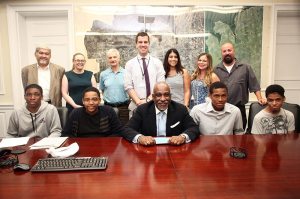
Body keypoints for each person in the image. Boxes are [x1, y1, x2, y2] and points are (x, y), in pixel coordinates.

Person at [122, 82, 200, 146]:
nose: (163, 99)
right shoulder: (142, 110)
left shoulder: (180, 109)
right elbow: (127, 129)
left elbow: (194, 128)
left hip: (174, 149)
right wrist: (140, 138)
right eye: (158, 95)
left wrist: (183, 137)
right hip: (149, 150)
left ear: (170, 96)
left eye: (166, 95)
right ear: (153, 97)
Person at [214, 42, 266, 129]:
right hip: (220, 109)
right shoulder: (215, 70)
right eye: (224, 51)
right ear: (221, 53)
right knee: (223, 135)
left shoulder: (245, 68)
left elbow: (254, 85)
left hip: (239, 108)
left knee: (239, 134)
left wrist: (260, 98)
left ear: (234, 51)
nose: (227, 52)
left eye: (229, 50)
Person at [124, 32, 165, 117]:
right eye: (140, 42)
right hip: (135, 106)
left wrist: (148, 100)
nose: (143, 44)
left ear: (149, 44)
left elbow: (160, 84)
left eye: (145, 42)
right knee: (134, 130)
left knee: (153, 130)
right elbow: (128, 86)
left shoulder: (157, 63)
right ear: (136, 44)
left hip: (155, 104)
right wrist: (139, 102)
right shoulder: (129, 64)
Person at [100, 48, 129, 125]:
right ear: (107, 60)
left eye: (115, 57)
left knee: (124, 130)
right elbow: (103, 90)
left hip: (124, 108)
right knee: (108, 131)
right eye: (110, 58)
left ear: (119, 58)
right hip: (108, 108)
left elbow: (130, 89)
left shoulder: (127, 73)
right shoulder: (103, 74)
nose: (112, 59)